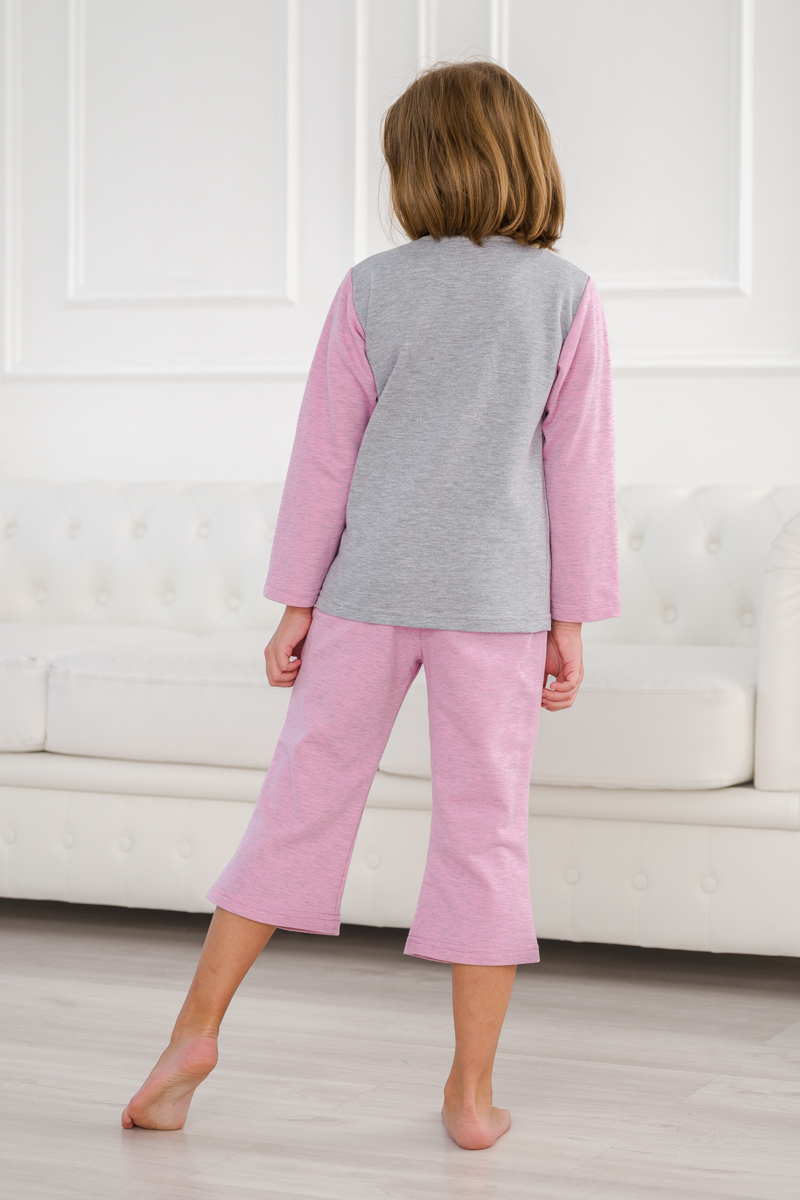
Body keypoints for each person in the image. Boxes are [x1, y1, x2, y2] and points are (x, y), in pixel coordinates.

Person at [121, 60, 620, 1151]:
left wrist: (295, 603)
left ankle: (194, 1036)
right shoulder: (565, 296)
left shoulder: (369, 289)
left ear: (414, 170)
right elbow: (577, 472)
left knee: (296, 806)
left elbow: (324, 460)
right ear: (524, 157)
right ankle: (471, 1097)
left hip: (363, 594)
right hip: (496, 605)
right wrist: (569, 619)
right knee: (484, 835)